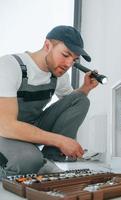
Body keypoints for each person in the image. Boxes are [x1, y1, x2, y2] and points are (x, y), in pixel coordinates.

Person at [0, 25, 99, 178]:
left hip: (30, 129)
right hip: (4, 132)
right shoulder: (9, 66)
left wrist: (85, 88)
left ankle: (48, 160)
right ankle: (25, 163)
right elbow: (6, 126)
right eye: (65, 55)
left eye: (74, 60)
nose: (68, 64)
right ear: (47, 45)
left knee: (80, 99)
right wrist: (60, 141)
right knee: (29, 161)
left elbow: (70, 104)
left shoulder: (59, 75)